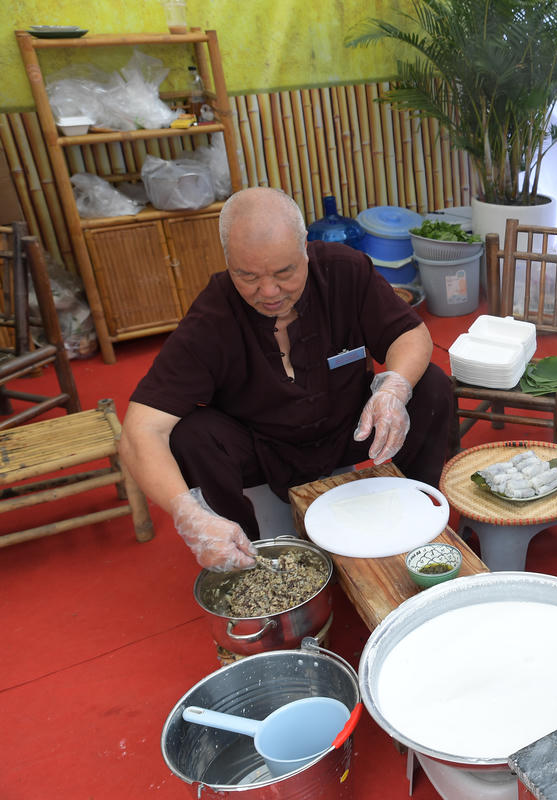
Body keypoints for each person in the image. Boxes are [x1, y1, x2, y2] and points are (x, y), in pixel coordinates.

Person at [120, 187, 453, 572]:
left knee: (428, 385)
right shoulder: (211, 318)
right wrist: (188, 513)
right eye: (248, 276)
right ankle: (242, 554)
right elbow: (140, 431)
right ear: (228, 262)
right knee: (192, 434)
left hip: (351, 428)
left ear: (305, 251)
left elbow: (409, 334)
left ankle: (414, 516)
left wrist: (392, 390)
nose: (269, 292)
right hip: (264, 447)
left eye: (284, 273)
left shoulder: (344, 270)